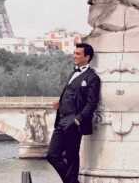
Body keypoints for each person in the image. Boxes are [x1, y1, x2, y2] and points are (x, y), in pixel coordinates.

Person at [46, 43, 100, 183]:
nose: (74, 56)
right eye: (74, 53)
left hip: (74, 122)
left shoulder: (92, 78)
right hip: (61, 119)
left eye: (77, 54)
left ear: (87, 57)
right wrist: (60, 103)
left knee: (71, 155)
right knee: (52, 155)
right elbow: (71, 94)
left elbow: (92, 102)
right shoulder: (73, 73)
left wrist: (78, 119)